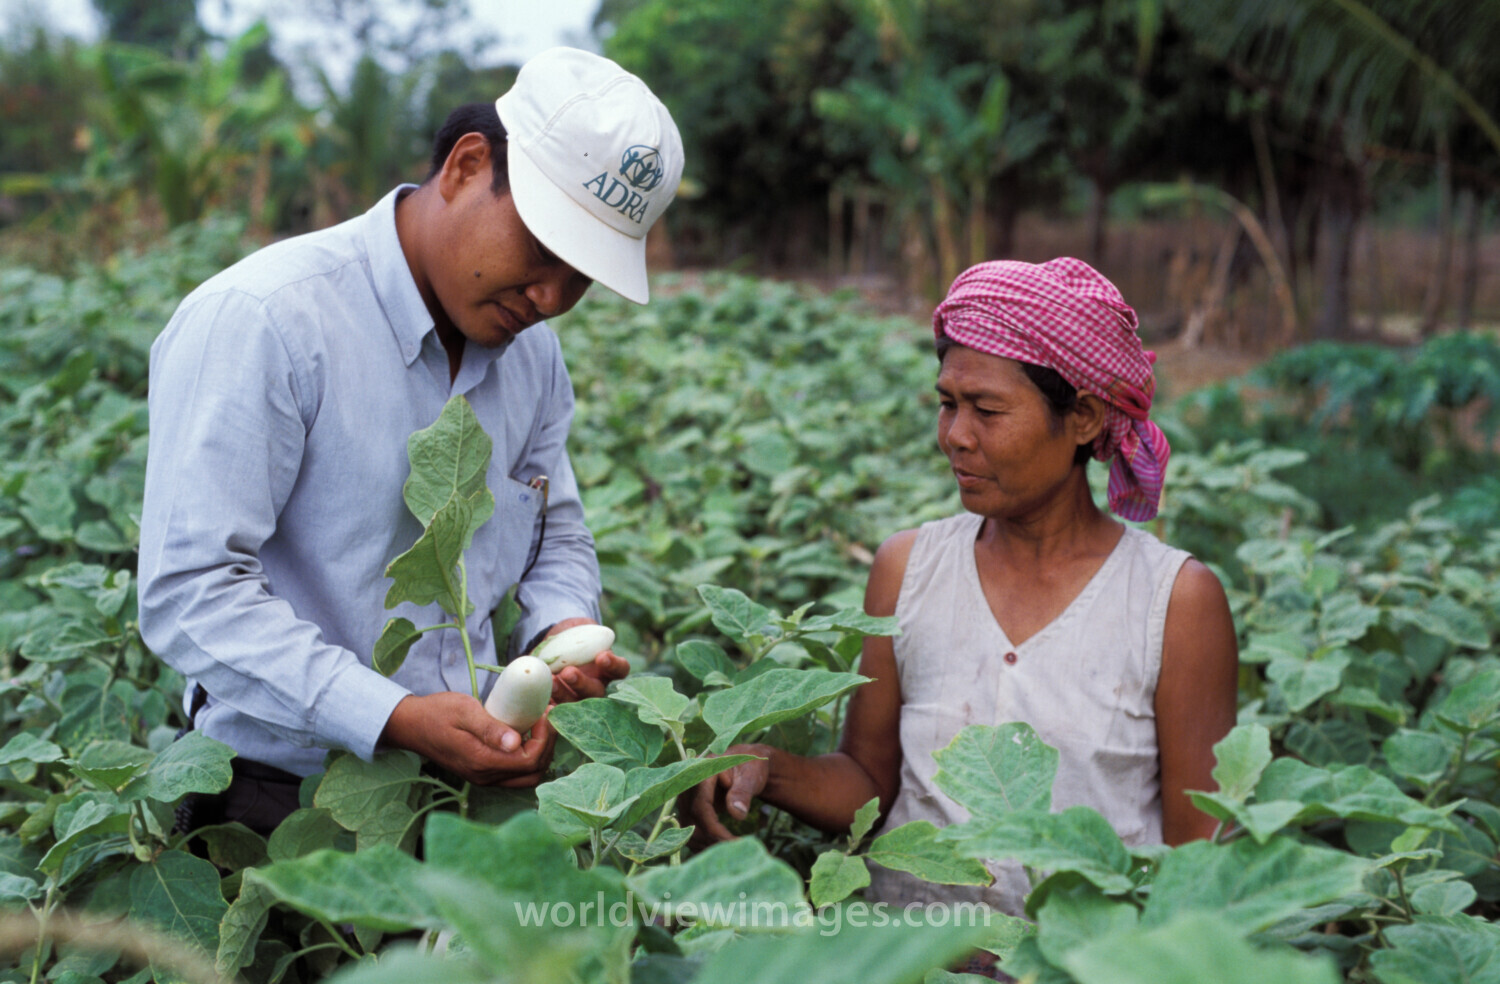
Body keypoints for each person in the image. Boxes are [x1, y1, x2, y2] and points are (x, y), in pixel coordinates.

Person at [138, 47, 684, 835]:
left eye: (582, 277)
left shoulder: (533, 355)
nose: (551, 298)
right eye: (544, 251)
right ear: (466, 167)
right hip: (278, 798)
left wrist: (562, 631)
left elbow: (553, 529)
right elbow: (189, 593)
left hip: (474, 793)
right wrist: (391, 715)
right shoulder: (266, 320)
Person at [689, 259, 1238, 929]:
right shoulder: (908, 569)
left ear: (1086, 418)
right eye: (948, 403)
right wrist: (764, 769)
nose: (956, 435)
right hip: (907, 958)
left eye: (987, 410)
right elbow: (870, 779)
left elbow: (1197, 863)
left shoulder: (1173, 602)